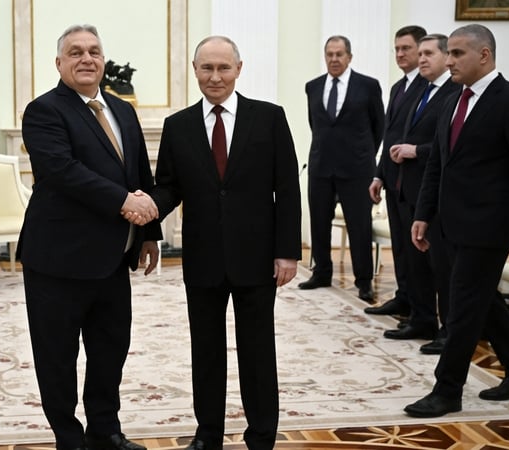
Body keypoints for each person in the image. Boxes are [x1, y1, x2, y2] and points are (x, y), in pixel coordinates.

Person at [141, 36, 302, 450]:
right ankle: (208, 433)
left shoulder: (269, 118)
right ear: (194, 70)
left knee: (257, 353)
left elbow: (286, 189)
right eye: (207, 68)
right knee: (206, 352)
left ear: (239, 69)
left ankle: (262, 434)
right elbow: (168, 188)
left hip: (258, 259)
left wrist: (287, 251)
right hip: (203, 259)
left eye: (223, 68)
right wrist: (143, 213)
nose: (215, 76)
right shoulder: (178, 127)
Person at [19, 24, 162, 450]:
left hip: (113, 261)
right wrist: (124, 203)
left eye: (94, 51)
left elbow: (139, 175)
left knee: (109, 353)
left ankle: (105, 431)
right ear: (59, 63)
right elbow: (63, 172)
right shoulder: (44, 111)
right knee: (58, 359)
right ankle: (69, 438)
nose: (87, 59)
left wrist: (148, 233)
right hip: (58, 262)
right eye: (76, 52)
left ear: (103, 60)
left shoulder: (124, 109)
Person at [405, 24, 509, 418]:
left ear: (484, 55)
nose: (449, 61)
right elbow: (437, 165)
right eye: (448, 53)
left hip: (490, 227)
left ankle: (446, 390)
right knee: (482, 299)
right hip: (450, 223)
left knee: (463, 305)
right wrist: (423, 214)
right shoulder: (451, 100)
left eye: (457, 53)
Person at [380, 34, 460, 351]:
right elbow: (395, 134)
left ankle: (447, 329)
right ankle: (422, 318)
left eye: (429, 53)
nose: (422, 59)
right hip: (407, 188)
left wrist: (417, 151)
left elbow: (448, 147)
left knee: (440, 267)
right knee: (415, 262)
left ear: (444, 58)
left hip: (437, 193)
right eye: (421, 53)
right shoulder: (421, 91)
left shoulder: (453, 93)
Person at [300, 35, 385, 302]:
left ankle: (364, 281)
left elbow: (378, 127)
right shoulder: (312, 87)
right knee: (319, 222)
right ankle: (321, 272)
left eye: (339, 54)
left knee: (359, 226)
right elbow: (317, 125)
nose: (334, 59)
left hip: (357, 168)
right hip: (321, 166)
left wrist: (364, 155)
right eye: (329, 54)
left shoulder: (368, 86)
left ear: (349, 56)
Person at [366, 25, 427, 318]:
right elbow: (388, 136)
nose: (400, 54)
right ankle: (404, 296)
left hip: (416, 179)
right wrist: (379, 174)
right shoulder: (399, 87)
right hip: (393, 180)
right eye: (397, 49)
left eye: (407, 48)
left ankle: (419, 307)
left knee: (416, 252)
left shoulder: (428, 86)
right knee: (400, 247)